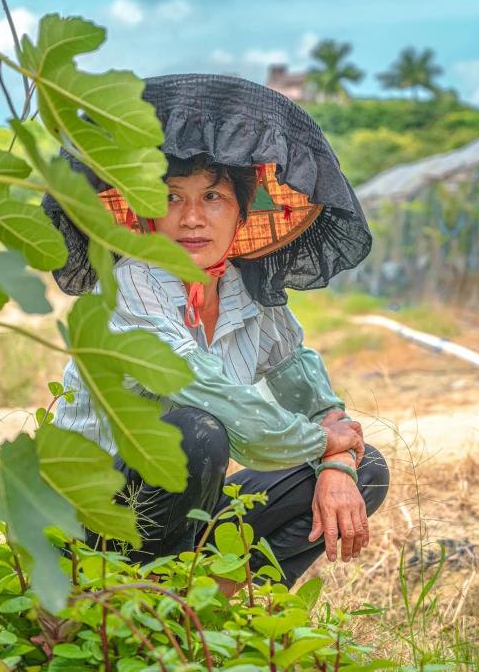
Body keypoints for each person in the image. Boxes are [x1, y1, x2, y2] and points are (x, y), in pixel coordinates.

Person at [46, 74, 389, 591]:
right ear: (144, 216)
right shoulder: (131, 285)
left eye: (212, 198)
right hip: (90, 522)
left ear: (242, 213)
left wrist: (336, 459)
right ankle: (138, 604)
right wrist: (320, 441)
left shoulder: (248, 289)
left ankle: (220, 605)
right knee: (197, 431)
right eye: (170, 197)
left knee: (368, 470)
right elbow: (213, 398)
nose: (191, 219)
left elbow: (310, 392)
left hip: (182, 514)